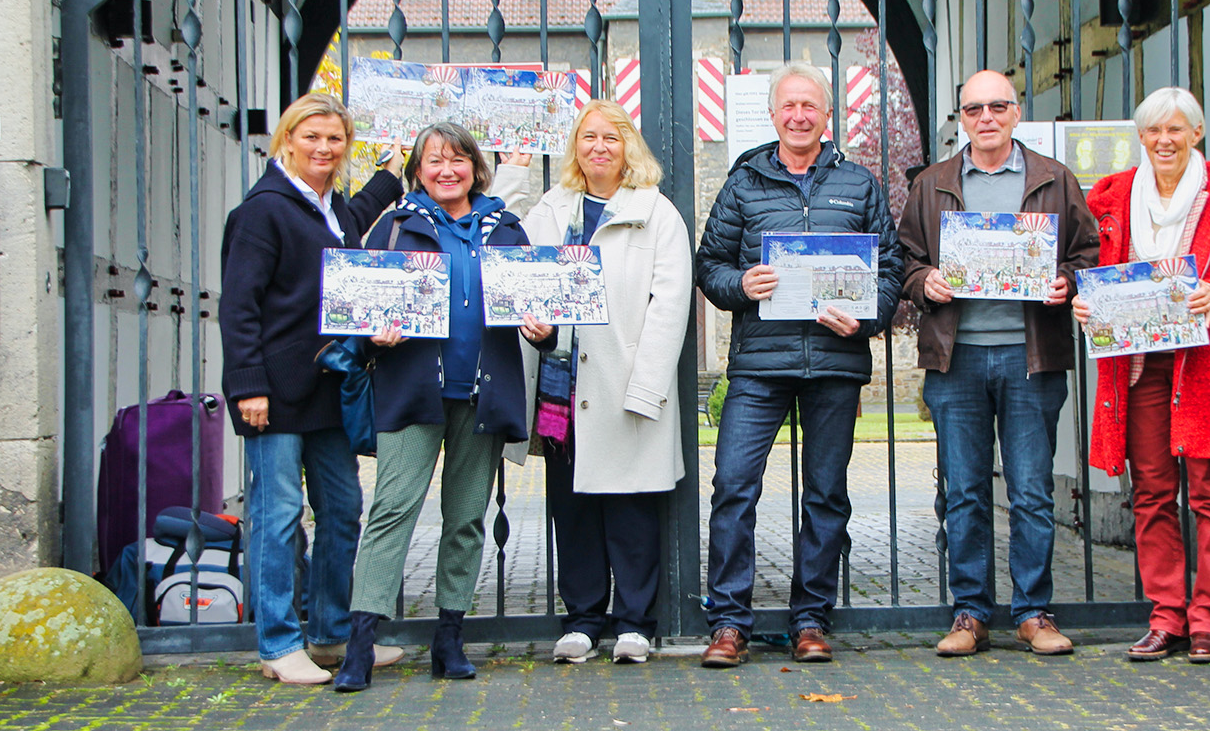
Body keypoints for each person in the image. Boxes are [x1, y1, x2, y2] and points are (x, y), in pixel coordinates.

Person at [694, 61, 904, 668]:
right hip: (760, 365)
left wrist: (863, 320)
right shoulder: (743, 183)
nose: (799, 116)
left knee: (826, 495)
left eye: (810, 105)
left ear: (827, 114)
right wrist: (743, 282)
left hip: (835, 362)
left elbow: (888, 274)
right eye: (789, 106)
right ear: (773, 113)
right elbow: (709, 266)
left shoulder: (859, 184)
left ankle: (810, 619)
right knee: (733, 488)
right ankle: (729, 622)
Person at [333, 122, 547, 691]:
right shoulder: (396, 226)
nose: (446, 170)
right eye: (434, 161)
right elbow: (360, 303)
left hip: (482, 393)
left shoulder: (506, 228)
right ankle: (360, 641)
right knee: (392, 512)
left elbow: (538, 312)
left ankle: (449, 638)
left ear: (477, 167)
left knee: (466, 519)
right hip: (412, 391)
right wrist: (372, 333)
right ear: (418, 171)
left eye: (457, 160)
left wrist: (544, 331)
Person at [1073, 86, 1210, 664]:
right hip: (1138, 369)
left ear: (1197, 133)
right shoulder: (1113, 200)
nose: (1165, 141)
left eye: (1176, 130)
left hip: (1207, 365)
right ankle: (1167, 616)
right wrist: (1085, 305)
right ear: (1140, 138)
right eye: (1154, 132)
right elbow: (1093, 277)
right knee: (1153, 493)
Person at [898, 70, 1099, 658]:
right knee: (963, 491)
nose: (985, 117)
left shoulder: (1054, 180)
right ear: (961, 118)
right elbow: (903, 260)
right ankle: (970, 613)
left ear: (1016, 113)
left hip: (1030, 357)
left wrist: (1065, 280)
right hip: (955, 359)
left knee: (1032, 491)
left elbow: (1086, 255)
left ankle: (1034, 612)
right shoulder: (933, 184)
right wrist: (923, 281)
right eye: (973, 109)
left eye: (997, 106)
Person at [218, 92, 403, 685]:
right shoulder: (263, 211)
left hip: (328, 387)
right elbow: (239, 306)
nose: (324, 149)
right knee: (276, 518)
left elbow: (362, 214)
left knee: (344, 509)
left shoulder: (332, 209)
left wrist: (391, 172)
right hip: (273, 391)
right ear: (287, 141)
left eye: (335, 139)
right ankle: (277, 644)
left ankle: (329, 634)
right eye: (312, 137)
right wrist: (248, 385)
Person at [512, 101, 692, 667]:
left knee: (631, 507)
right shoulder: (551, 209)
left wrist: (646, 387)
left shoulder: (656, 212)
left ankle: (636, 622)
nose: (598, 147)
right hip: (561, 383)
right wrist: (517, 168)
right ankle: (583, 619)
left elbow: (670, 307)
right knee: (573, 504)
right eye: (587, 137)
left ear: (628, 147)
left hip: (624, 381)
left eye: (610, 138)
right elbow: (506, 243)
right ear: (574, 147)